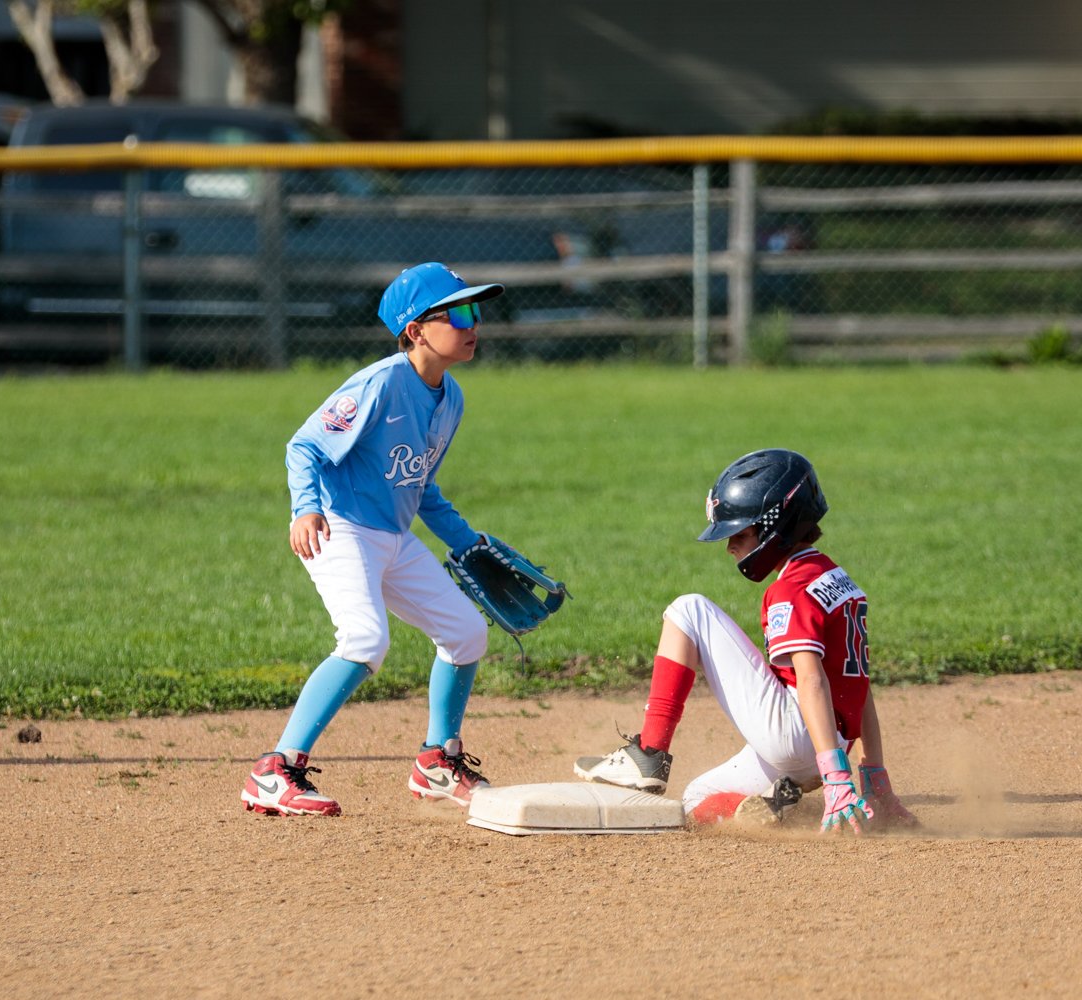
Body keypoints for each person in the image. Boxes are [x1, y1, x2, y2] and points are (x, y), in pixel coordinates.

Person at [242, 262, 507, 817]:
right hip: (341, 529)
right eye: (456, 312)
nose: (472, 322)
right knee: (364, 640)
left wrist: (466, 542)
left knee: (464, 633)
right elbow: (304, 447)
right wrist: (305, 508)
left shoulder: (451, 398)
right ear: (415, 330)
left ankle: (436, 762)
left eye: (475, 310)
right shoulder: (379, 384)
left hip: (394, 536)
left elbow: (422, 486)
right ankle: (276, 771)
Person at [574, 449, 919, 833]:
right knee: (695, 797)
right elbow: (859, 686)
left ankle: (649, 754)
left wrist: (837, 778)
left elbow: (810, 680)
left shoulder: (792, 589)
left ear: (776, 526)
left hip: (801, 734)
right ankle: (771, 805)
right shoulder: (839, 581)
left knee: (688, 610)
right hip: (828, 745)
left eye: (740, 533)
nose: (730, 546)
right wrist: (872, 774)